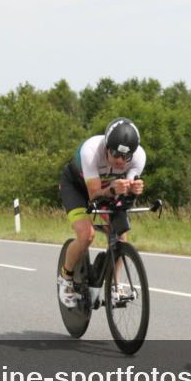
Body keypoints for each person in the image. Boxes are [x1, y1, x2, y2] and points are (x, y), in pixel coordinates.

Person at [57, 117, 145, 307]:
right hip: (78, 188)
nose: (121, 161)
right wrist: (113, 189)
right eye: (115, 155)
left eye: (126, 157)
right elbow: (94, 195)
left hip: (108, 189)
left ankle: (115, 286)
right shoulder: (91, 151)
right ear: (107, 148)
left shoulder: (139, 157)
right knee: (86, 234)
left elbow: (126, 192)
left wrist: (133, 189)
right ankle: (66, 278)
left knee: (121, 233)